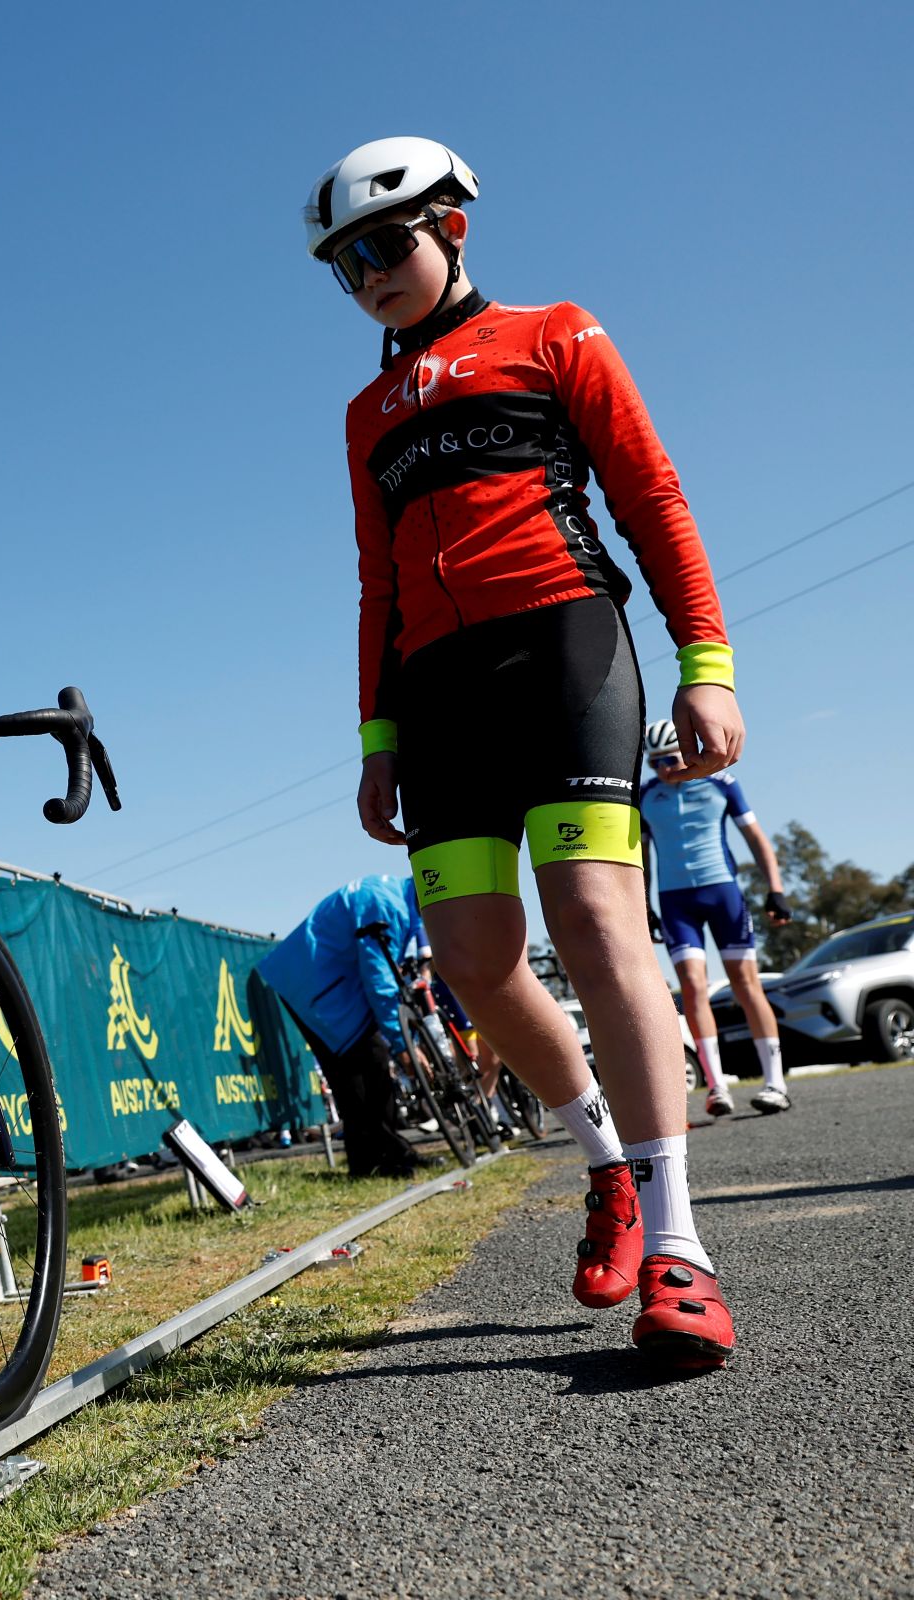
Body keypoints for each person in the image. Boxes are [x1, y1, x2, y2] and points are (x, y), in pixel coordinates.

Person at [306, 136, 746, 1367]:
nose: (371, 275)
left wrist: (706, 662)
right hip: (436, 696)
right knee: (475, 964)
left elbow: (654, 497)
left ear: (455, 227)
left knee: (600, 924)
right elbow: (375, 585)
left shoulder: (557, 334)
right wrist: (376, 735)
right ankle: (606, 1160)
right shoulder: (363, 414)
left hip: (566, 650)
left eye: (387, 244)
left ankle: (680, 1247)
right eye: (347, 265)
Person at [641, 718, 796, 1114]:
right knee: (692, 986)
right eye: (655, 763)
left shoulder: (721, 784)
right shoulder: (645, 797)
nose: (664, 770)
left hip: (722, 890)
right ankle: (716, 1087)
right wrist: (644, 906)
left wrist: (775, 890)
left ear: (688, 755)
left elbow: (757, 840)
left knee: (746, 984)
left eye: (671, 760)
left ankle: (775, 1083)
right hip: (676, 902)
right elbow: (641, 858)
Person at [256, 875, 430, 1179]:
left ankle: (387, 1155)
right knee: (359, 1070)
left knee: (369, 1067)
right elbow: (379, 981)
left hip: (328, 980)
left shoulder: (402, 901)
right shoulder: (385, 904)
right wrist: (404, 1046)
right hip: (314, 983)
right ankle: (373, 1163)